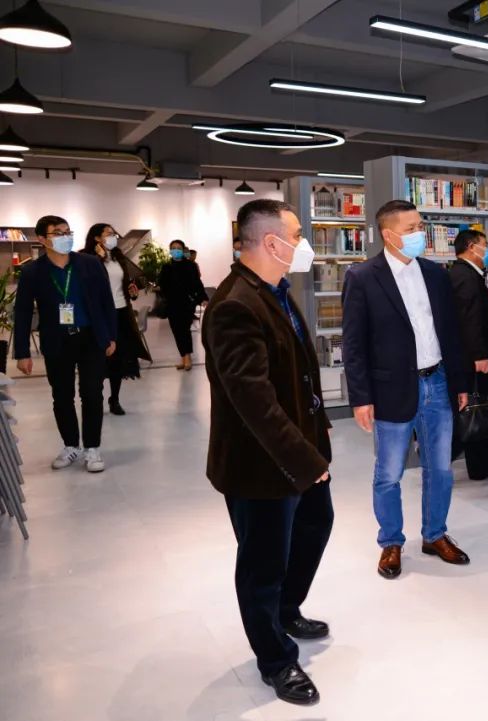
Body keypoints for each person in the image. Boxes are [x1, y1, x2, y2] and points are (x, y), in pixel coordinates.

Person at [203, 199, 333, 706]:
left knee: (315, 526)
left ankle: (285, 610)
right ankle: (276, 660)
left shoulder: (275, 290)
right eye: (297, 235)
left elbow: (299, 376)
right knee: (262, 564)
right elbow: (253, 403)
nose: (303, 244)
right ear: (272, 243)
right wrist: (304, 461)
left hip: (299, 452)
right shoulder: (235, 305)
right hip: (259, 464)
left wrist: (316, 443)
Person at [341, 199, 470, 580]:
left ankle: (435, 534)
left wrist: (461, 381)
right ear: (389, 234)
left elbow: (451, 331)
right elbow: (353, 344)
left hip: (438, 381)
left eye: (420, 226)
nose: (420, 234)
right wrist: (361, 397)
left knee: (440, 469)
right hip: (392, 388)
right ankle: (391, 542)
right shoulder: (363, 277)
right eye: (411, 228)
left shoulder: (435, 273)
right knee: (389, 473)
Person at [12, 215, 117, 473]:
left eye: (68, 232)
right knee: (61, 395)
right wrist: (22, 352)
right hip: (56, 340)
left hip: (90, 337)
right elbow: (22, 312)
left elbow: (106, 302)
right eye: (58, 233)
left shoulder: (90, 264)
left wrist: (110, 336)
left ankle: (92, 447)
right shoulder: (32, 272)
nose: (65, 237)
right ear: (42, 239)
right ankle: (71, 445)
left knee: (92, 393)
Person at [448, 229, 488, 480]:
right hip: (474, 359)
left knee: (477, 409)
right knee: (474, 409)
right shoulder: (465, 277)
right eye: (485, 245)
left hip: (471, 357)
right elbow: (469, 320)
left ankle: (481, 466)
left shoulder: (465, 274)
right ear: (472, 247)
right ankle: (442, 457)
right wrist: (480, 355)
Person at [80, 224, 151, 415]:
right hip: (99, 315)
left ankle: (115, 399)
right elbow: (86, 283)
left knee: (118, 360)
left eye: (114, 234)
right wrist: (99, 258)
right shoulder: (86, 258)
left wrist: (132, 292)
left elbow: (125, 283)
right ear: (97, 238)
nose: (113, 237)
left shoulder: (118, 257)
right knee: (98, 359)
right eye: (109, 234)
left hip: (121, 312)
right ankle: (96, 399)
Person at [157, 239, 208, 371]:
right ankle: (183, 357)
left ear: (183, 250)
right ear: (170, 251)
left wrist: (203, 298)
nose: (176, 250)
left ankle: (188, 358)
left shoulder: (190, 266)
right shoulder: (166, 267)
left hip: (186, 304)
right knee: (177, 332)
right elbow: (162, 285)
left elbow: (197, 283)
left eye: (178, 248)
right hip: (172, 304)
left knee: (184, 330)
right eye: (173, 248)